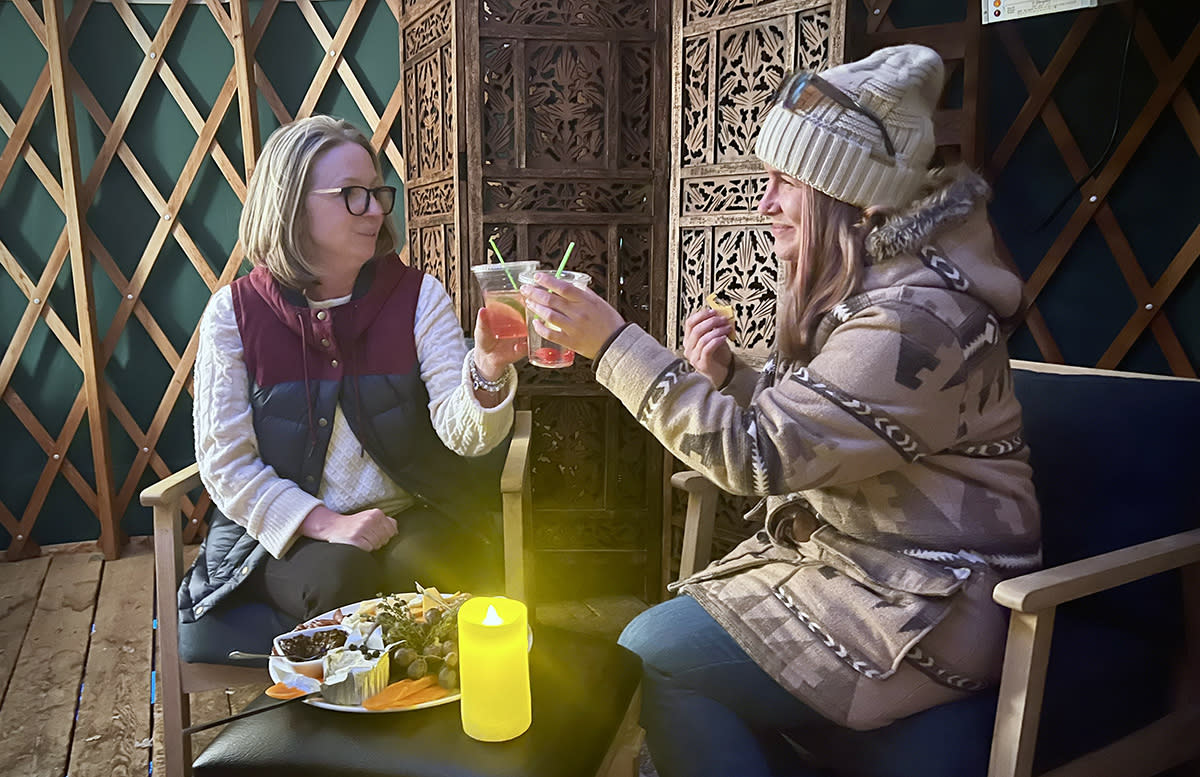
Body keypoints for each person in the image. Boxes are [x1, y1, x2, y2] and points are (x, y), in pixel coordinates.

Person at [520, 45, 1040, 777]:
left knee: (655, 649)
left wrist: (611, 344)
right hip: (862, 569)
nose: (763, 205)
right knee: (666, 646)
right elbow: (825, 423)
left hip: (930, 601)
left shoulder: (915, 321)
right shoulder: (874, 294)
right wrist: (732, 377)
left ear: (849, 198)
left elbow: (759, 456)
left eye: (782, 183)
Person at [180, 115, 525, 635]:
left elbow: (463, 435)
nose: (374, 210)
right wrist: (328, 524)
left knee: (431, 573)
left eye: (376, 192)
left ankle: (429, 713)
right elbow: (226, 464)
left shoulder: (416, 297)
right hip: (289, 530)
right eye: (351, 194)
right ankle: (340, 712)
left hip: (409, 510)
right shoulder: (235, 314)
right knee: (340, 579)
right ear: (292, 203)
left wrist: (488, 370)